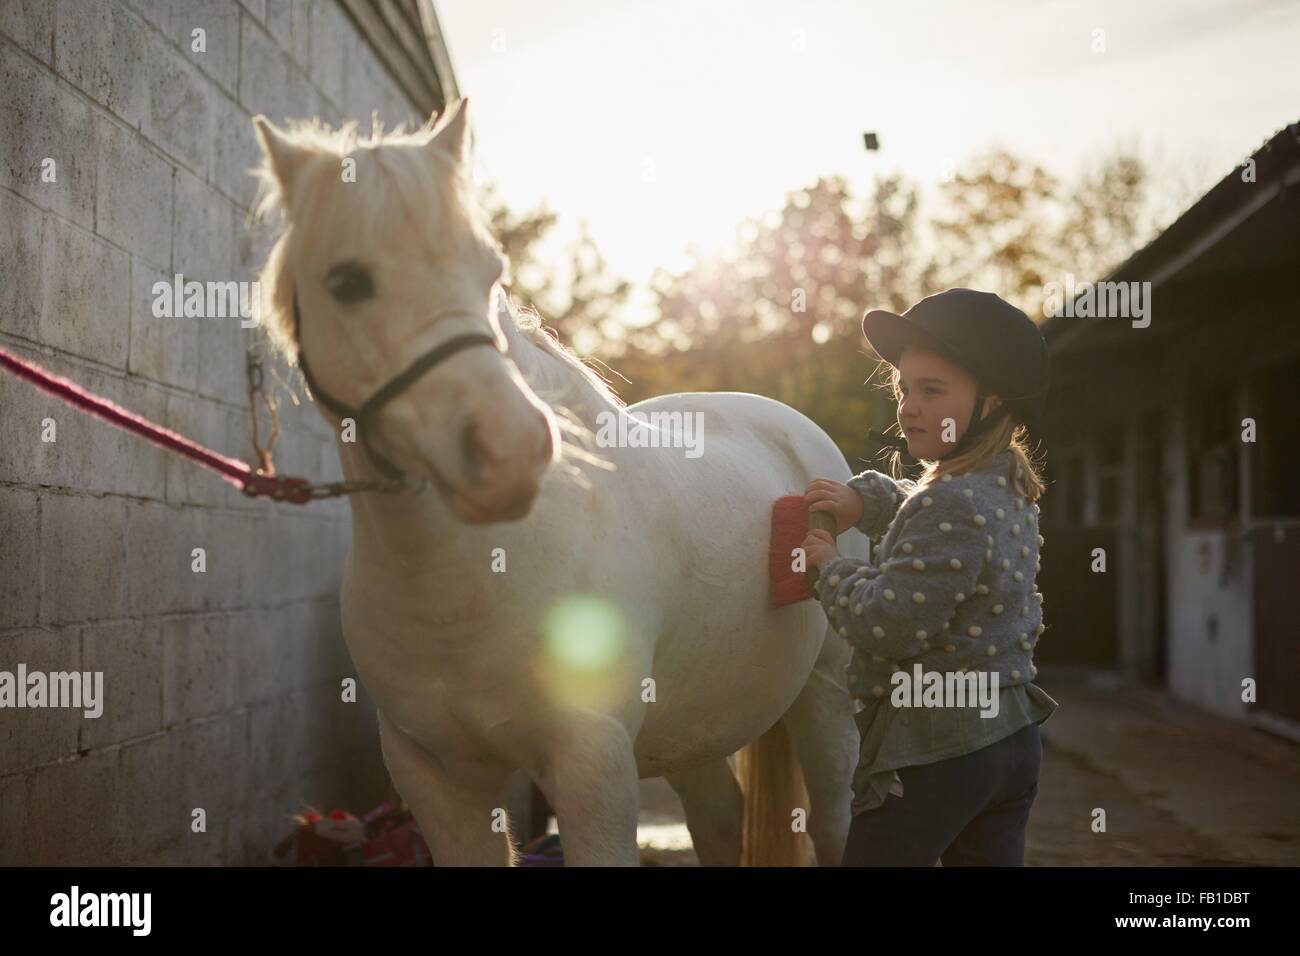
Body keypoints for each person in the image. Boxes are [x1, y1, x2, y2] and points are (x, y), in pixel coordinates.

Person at [800, 288, 1058, 866]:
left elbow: (887, 625)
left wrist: (829, 570)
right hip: (1011, 739)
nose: (907, 407)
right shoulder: (1005, 487)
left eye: (931, 390)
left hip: (941, 748)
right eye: (904, 389)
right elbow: (936, 538)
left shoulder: (951, 502)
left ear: (991, 403)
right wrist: (864, 500)